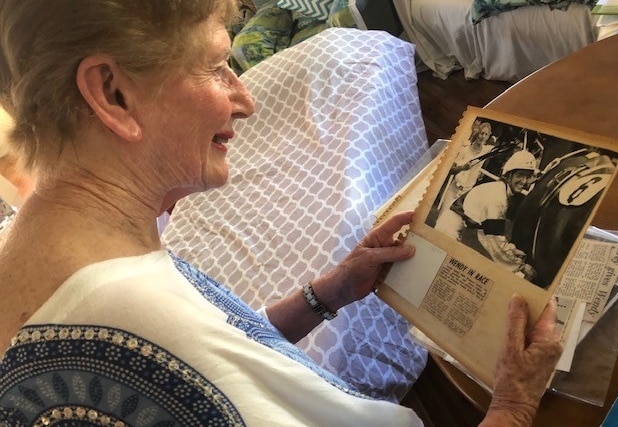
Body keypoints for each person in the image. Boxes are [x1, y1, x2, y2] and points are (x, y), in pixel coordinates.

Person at [0, 1, 561, 426]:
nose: (244, 99)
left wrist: (329, 292)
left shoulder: (62, 246)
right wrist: (513, 403)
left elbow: (232, 349)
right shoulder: (145, 330)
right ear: (112, 94)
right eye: (216, 65)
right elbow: (202, 364)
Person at [437, 149, 538, 280]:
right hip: (447, 232)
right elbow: (493, 239)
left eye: (527, 176)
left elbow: (486, 233)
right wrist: (521, 266)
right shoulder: (498, 198)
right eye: (520, 175)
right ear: (509, 175)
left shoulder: (500, 190)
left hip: (452, 229)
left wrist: (512, 250)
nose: (524, 181)